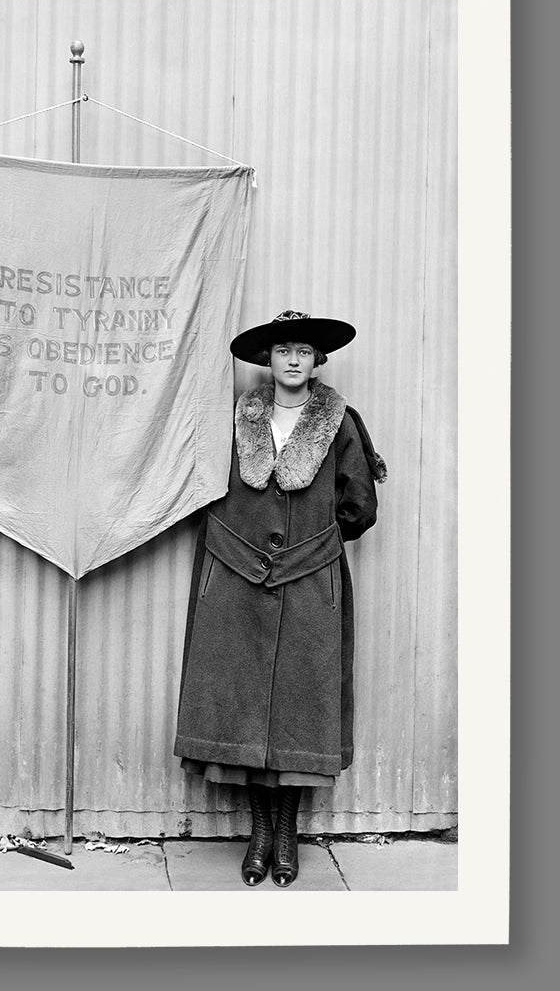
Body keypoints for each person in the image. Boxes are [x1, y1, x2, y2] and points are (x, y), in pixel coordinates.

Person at [174, 309, 385, 887]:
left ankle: (286, 835)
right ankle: (259, 834)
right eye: (282, 350)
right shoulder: (235, 420)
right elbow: (197, 486)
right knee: (242, 705)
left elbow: (359, 508)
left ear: (318, 360)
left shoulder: (340, 424)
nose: (293, 359)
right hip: (236, 576)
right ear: (266, 360)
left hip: (311, 581)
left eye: (304, 351)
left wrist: (312, 547)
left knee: (298, 709)